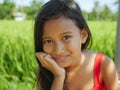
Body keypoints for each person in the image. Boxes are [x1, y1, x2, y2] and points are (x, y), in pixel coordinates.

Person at [34, 0, 119, 90]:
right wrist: (58, 76)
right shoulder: (47, 71)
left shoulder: (103, 65)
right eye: (48, 41)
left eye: (66, 37)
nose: (58, 50)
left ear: (83, 36)